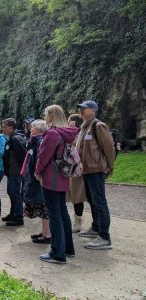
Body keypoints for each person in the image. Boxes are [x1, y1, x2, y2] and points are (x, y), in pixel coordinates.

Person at [35, 105, 78, 264]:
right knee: (62, 212)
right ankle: (67, 248)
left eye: (46, 114)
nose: (45, 117)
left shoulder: (52, 133)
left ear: (51, 115)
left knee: (54, 215)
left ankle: (57, 252)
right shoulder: (66, 133)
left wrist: (37, 171)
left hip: (51, 178)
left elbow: (43, 156)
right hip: (62, 177)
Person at [75, 100, 115, 250]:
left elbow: (109, 148)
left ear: (93, 110)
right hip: (87, 170)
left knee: (99, 202)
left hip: (96, 170)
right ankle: (96, 228)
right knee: (92, 200)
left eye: (84, 109)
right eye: (81, 109)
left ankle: (105, 237)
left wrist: (110, 166)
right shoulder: (85, 127)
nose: (81, 111)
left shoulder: (98, 126)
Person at [21, 120, 51, 244]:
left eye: (33, 128)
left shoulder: (39, 142)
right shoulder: (34, 142)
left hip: (38, 179)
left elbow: (40, 160)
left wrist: (36, 174)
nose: (31, 130)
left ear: (39, 130)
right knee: (41, 206)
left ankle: (47, 234)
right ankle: (44, 232)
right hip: (34, 177)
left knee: (43, 206)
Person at [1, 118, 26, 226]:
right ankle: (13, 213)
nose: (3, 129)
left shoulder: (16, 139)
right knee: (11, 192)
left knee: (15, 194)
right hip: (11, 171)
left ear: (11, 127)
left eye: (4, 127)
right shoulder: (10, 138)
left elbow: (22, 156)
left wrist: (21, 171)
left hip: (15, 172)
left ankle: (18, 217)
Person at [66, 114, 87, 233]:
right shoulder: (72, 134)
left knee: (78, 197)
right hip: (72, 170)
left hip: (78, 170)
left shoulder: (79, 135)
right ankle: (77, 222)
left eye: (70, 122)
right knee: (75, 197)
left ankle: (78, 223)